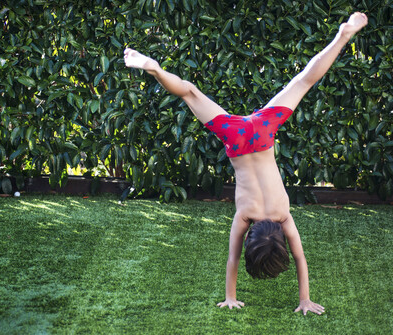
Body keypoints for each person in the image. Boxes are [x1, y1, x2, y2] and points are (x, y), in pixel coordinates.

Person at [124, 12, 368, 315]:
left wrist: (304, 297)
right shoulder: (244, 216)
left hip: (262, 132)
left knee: (303, 81)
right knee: (190, 91)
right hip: (237, 138)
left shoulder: (283, 215)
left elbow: (300, 258)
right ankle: (156, 71)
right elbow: (233, 259)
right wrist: (234, 296)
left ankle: (342, 36)